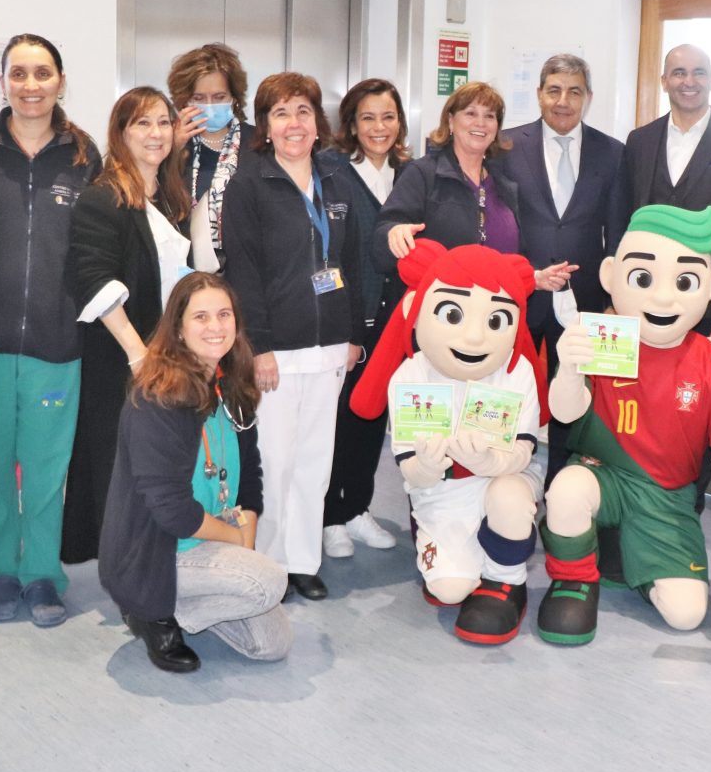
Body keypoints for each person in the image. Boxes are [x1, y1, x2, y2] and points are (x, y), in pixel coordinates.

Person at [537, 205, 711, 644]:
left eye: (683, 282)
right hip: (605, 475)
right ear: (611, 275)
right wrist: (569, 370)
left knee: (686, 615)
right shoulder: (604, 338)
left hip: (667, 496)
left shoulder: (708, 361)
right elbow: (565, 414)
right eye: (643, 278)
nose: (661, 299)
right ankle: (573, 579)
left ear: (709, 285)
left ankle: (630, 558)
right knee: (566, 490)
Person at [0, 33, 101, 628]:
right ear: (3, 82)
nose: (30, 85)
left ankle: (41, 575)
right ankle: (1, 572)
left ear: (60, 81)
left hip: (56, 342)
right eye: (19, 73)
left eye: (42, 73)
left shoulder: (83, 154)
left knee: (44, 470)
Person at [348, 241, 546, 644]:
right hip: (442, 493)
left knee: (508, 498)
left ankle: (507, 580)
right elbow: (409, 468)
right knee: (450, 588)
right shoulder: (411, 375)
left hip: (503, 479)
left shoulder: (517, 370)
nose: (473, 337)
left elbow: (524, 451)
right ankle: (461, 551)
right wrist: (425, 465)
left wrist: (490, 462)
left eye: (495, 320)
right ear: (419, 311)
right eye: (453, 314)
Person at [99, 271, 292, 673]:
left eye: (224, 314)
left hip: (216, 536)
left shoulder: (231, 385)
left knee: (271, 644)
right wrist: (236, 539)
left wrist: (246, 534)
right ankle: (148, 611)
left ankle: (178, 608)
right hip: (160, 551)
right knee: (270, 582)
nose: (215, 327)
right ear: (179, 330)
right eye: (201, 317)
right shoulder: (157, 398)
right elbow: (172, 511)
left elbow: (250, 474)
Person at [222, 72, 363, 601]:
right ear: (265, 126)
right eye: (280, 113)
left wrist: (352, 334)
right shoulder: (248, 185)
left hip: (330, 346)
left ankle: (303, 561)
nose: (293, 123)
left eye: (302, 111)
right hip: (276, 349)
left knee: (314, 461)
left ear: (317, 121)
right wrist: (259, 347)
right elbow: (243, 273)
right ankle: (269, 562)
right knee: (275, 463)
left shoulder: (337, 181)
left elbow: (351, 263)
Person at [64, 87, 198, 564]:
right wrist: (138, 354)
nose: (155, 133)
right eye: (142, 123)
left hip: (167, 353)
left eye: (163, 122)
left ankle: (153, 556)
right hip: (122, 357)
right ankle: (128, 566)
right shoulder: (104, 197)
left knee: (160, 464)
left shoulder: (171, 196)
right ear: (121, 133)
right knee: (120, 466)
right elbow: (93, 280)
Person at [500, 54, 627, 481]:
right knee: (506, 384)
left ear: (588, 97)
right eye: (554, 90)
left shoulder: (613, 153)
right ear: (539, 94)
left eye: (574, 91)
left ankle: (559, 482)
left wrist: (613, 298)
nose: (563, 101)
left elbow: (618, 232)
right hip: (522, 291)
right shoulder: (505, 147)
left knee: (572, 392)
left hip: (585, 295)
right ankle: (500, 476)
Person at [320, 78, 410, 559]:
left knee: (373, 418)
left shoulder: (410, 173)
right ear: (352, 124)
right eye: (368, 117)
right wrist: (345, 325)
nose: (379, 127)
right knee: (337, 420)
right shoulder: (329, 170)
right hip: (347, 320)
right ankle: (328, 517)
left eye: (388, 117)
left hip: (396, 321)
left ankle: (357, 507)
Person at [620, 44, 711, 334]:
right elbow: (622, 218)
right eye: (678, 73)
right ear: (664, 81)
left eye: (699, 73)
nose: (689, 81)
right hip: (645, 299)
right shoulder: (639, 141)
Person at [375, 81, 522, 263]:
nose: (481, 123)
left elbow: (514, 258)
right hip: (437, 282)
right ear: (451, 121)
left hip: (498, 283)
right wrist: (394, 232)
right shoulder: (423, 174)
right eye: (471, 113)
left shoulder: (504, 183)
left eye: (490, 116)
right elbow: (383, 233)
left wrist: (534, 275)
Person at [166, 43, 254, 269]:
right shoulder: (170, 146)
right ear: (185, 101)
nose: (210, 106)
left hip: (246, 270)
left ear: (234, 97)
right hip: (187, 273)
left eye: (219, 96)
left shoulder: (256, 144)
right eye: (199, 98)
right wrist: (172, 150)